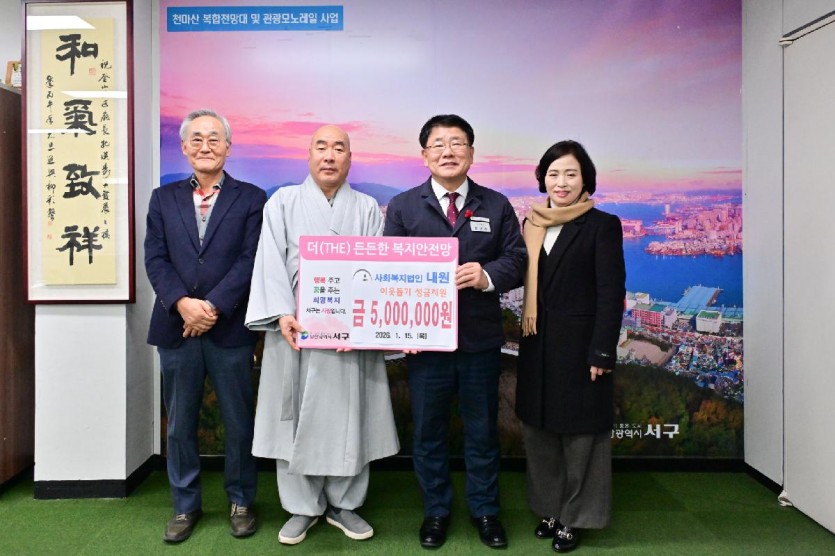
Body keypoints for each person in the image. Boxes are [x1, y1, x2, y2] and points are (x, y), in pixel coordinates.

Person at [245, 125, 400, 545]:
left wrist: (362, 326)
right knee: (292, 418)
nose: (330, 156)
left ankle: (345, 503)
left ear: (350, 158)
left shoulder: (366, 208)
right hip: (295, 331)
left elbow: (376, 272)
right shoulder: (283, 202)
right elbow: (269, 262)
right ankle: (301, 506)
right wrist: (282, 314)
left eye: (339, 148)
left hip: (349, 335)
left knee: (352, 414)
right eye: (322, 147)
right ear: (309, 154)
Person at [384, 114, 526, 549]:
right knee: (428, 433)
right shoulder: (403, 206)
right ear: (424, 154)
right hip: (425, 344)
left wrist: (486, 275)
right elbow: (388, 269)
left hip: (479, 341)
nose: (448, 151)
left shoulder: (495, 205)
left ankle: (486, 511)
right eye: (439, 144)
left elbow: (517, 259)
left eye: (457, 143)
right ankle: (436, 511)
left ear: (471, 152)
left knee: (482, 431)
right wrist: (401, 331)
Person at [145, 109, 267, 543]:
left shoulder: (251, 198)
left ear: (228, 147)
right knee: (179, 424)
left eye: (214, 138)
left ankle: (241, 501)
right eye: (196, 138)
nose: (205, 146)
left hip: (230, 328)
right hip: (175, 328)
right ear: (183, 147)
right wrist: (183, 304)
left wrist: (211, 306)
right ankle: (185, 505)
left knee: (238, 420)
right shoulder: (163, 198)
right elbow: (155, 258)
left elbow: (251, 259)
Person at [516, 140, 626, 552]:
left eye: (570, 174)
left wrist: (602, 350)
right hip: (535, 344)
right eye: (553, 173)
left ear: (585, 180)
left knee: (581, 436)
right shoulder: (530, 223)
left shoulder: (602, 225)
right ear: (542, 178)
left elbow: (611, 292)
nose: (560, 182)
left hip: (581, 349)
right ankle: (550, 508)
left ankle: (576, 516)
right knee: (539, 430)